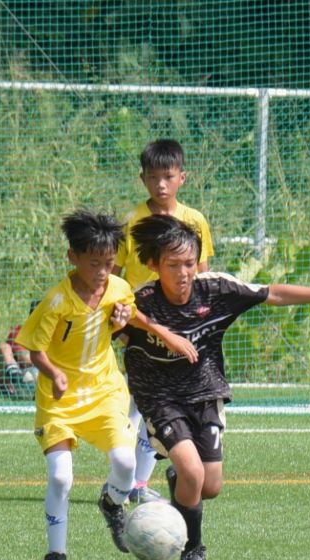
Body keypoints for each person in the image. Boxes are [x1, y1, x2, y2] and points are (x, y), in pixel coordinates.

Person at [123, 214, 310, 560]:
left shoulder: (216, 289)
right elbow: (112, 313)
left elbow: (273, 293)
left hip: (205, 394)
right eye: (173, 265)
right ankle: (193, 547)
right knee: (193, 472)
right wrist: (161, 332)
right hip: (160, 398)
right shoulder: (143, 300)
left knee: (210, 486)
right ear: (153, 264)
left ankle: (180, 482)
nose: (183, 273)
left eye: (189, 263)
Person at [16, 209, 196, 560]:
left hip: (104, 392)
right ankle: (56, 554)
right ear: (73, 257)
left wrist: (162, 333)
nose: (102, 271)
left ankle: (112, 503)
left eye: (109, 263)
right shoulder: (56, 301)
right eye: (94, 263)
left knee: (126, 463)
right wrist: (54, 373)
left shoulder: (117, 287)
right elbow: (35, 351)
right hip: (59, 400)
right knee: (61, 477)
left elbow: (129, 314)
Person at [113, 139, 217, 504]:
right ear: (142, 178)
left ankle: (139, 484)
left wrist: (201, 326)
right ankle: (124, 480)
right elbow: (114, 276)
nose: (161, 184)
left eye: (168, 176)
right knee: (136, 404)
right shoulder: (131, 222)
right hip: (140, 323)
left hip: (182, 329)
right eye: (153, 177)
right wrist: (121, 326)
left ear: (182, 178)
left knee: (164, 404)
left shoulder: (195, 221)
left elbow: (203, 278)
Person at [0, 300, 39, 401]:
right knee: (4, 347)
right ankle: (15, 378)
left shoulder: (53, 334)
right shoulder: (20, 331)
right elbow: (24, 358)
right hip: (14, 382)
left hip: (36, 378)